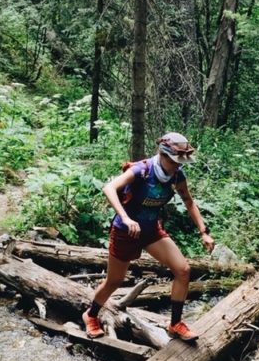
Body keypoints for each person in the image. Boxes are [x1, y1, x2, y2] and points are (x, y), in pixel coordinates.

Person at [82, 132, 215, 342]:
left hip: (151, 231)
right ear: (162, 155)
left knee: (183, 270)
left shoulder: (178, 176)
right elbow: (109, 188)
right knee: (114, 281)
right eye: (173, 161)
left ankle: (175, 324)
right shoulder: (142, 170)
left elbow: (189, 201)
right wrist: (125, 217)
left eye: (179, 163)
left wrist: (204, 232)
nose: (176, 166)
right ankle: (90, 315)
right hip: (125, 232)